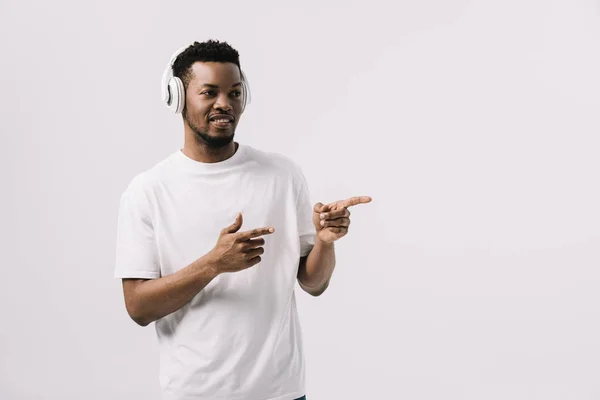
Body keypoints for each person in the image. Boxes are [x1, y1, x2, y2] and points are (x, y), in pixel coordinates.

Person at [114, 39, 371, 400]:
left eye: (235, 93)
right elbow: (138, 307)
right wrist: (214, 264)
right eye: (209, 92)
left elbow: (313, 283)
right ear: (176, 97)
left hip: (282, 392)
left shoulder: (282, 175)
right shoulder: (148, 191)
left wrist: (324, 242)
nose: (225, 104)